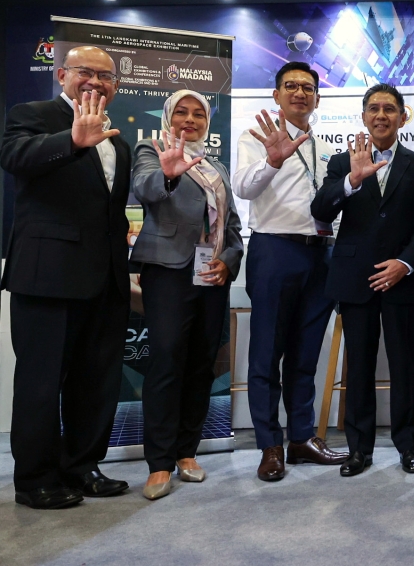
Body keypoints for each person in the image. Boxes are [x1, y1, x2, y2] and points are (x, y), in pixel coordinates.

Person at [0, 46, 131, 509]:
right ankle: (35, 479)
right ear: (62, 75)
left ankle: (82, 467)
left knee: (96, 382)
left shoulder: (119, 140)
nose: (96, 82)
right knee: (40, 383)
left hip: (106, 283)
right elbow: (15, 157)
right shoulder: (32, 115)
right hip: (47, 278)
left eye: (106, 76)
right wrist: (72, 142)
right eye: (85, 73)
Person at [232, 62, 347, 483]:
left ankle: (301, 438)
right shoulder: (256, 137)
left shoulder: (322, 147)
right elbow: (243, 188)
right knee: (266, 353)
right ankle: (270, 446)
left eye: (308, 87)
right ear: (277, 95)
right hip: (275, 250)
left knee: (305, 354)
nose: (300, 92)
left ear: (317, 97)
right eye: (291, 86)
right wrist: (273, 160)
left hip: (321, 255)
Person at [311, 84, 414, 476]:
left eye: (390, 109)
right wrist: (352, 181)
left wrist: (406, 263)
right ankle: (358, 449)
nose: (381, 115)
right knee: (358, 366)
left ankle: (408, 447)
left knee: (404, 366)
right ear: (363, 116)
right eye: (374, 109)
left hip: (403, 278)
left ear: (402, 117)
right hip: (354, 276)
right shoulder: (341, 162)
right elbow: (321, 210)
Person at [130, 90, 244, 500]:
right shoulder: (153, 148)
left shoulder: (217, 167)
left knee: (200, 365)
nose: (191, 119)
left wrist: (229, 261)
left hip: (211, 276)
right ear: (168, 116)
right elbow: (146, 188)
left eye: (199, 114)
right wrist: (170, 174)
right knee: (166, 365)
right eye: (182, 111)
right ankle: (159, 463)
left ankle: (186, 453)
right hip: (168, 273)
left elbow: (232, 226)